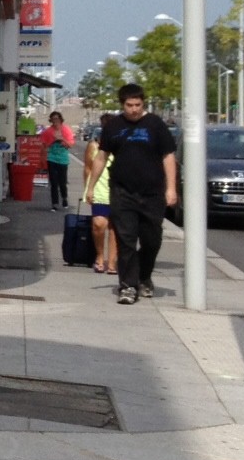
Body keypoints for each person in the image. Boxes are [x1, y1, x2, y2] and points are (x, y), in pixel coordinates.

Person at [81, 83, 177, 305]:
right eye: (129, 105)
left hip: (152, 193)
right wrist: (92, 187)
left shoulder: (155, 125)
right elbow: (101, 157)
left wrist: (171, 189)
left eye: (138, 105)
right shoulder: (114, 126)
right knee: (126, 240)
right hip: (122, 192)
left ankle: (144, 277)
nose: (134, 109)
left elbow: (168, 157)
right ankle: (128, 285)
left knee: (152, 240)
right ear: (122, 104)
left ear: (143, 103)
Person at [81, 112, 119, 275]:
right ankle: (99, 255)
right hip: (100, 189)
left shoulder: (122, 145)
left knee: (115, 227)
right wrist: (88, 188)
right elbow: (88, 167)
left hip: (118, 190)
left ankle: (111, 262)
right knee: (99, 224)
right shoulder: (94, 146)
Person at [39, 111, 76, 210]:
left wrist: (61, 138)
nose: (55, 121)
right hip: (51, 158)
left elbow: (71, 144)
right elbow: (43, 146)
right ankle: (54, 203)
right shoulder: (47, 132)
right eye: (53, 119)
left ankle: (64, 198)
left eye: (57, 119)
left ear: (61, 119)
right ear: (50, 120)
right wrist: (42, 160)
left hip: (63, 159)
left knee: (62, 182)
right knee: (53, 182)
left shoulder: (66, 130)